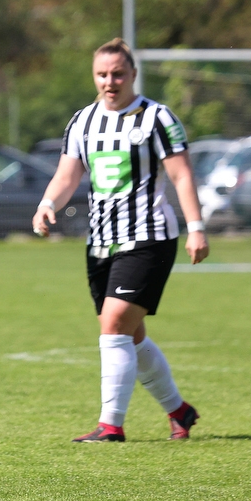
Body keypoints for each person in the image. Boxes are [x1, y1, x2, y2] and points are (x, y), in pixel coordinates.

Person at [31, 37, 209, 443]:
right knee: (129, 335)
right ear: (93, 76)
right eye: (102, 74)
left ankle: (110, 425)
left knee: (114, 325)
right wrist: (47, 204)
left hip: (148, 236)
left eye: (117, 74)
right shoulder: (82, 121)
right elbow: (68, 174)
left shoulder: (157, 118)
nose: (109, 81)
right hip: (101, 241)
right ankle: (179, 411)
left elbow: (181, 174)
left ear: (132, 75)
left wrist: (196, 228)